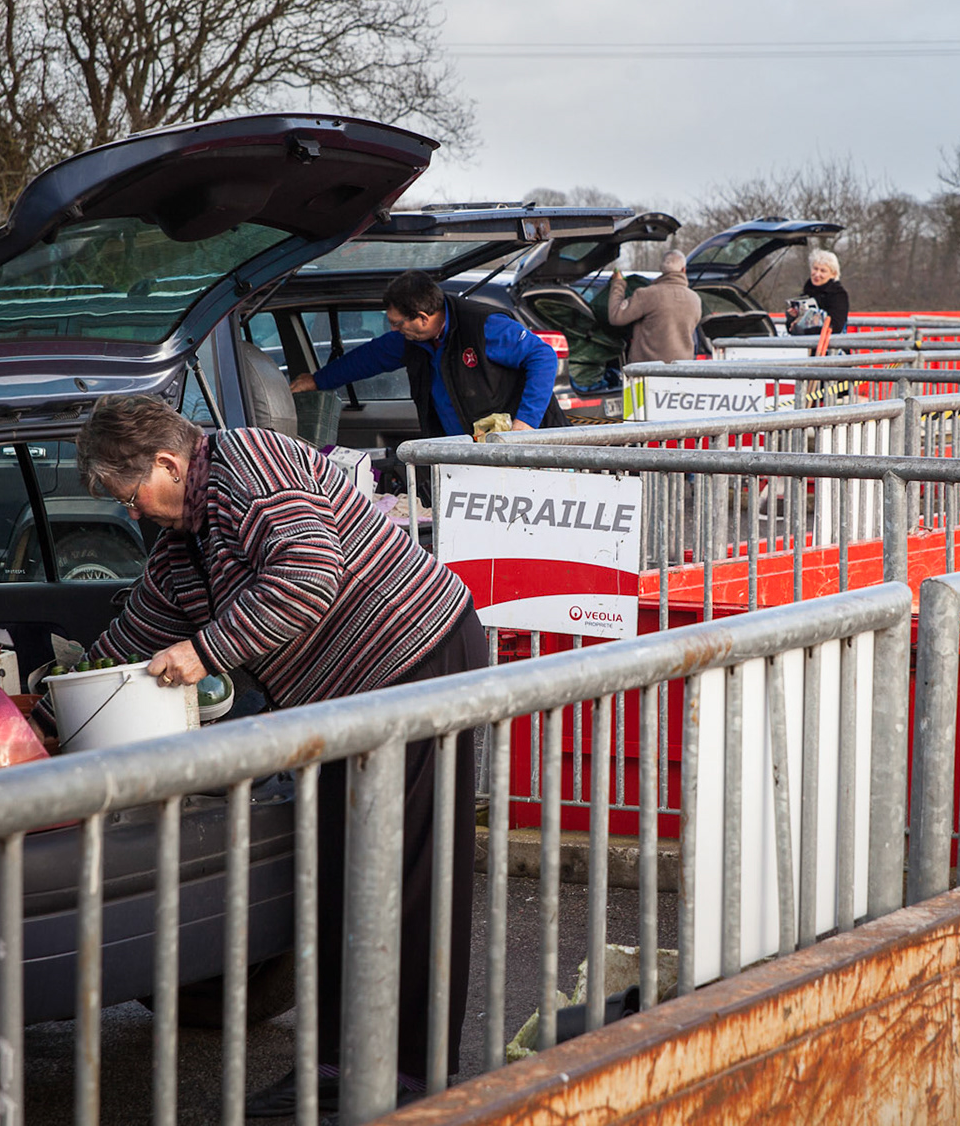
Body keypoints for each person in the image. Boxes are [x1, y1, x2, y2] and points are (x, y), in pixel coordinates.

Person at [74, 394, 478, 1113]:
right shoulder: (182, 544)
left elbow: (307, 577)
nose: (130, 512)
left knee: (408, 873)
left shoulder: (250, 464)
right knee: (335, 874)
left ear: (168, 462)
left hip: (417, 661)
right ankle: (336, 1066)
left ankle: (407, 1077)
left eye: (127, 493)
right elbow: (138, 631)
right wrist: (56, 699)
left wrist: (204, 652)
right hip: (339, 703)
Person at [290, 270, 565, 438]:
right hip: (469, 455)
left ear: (422, 317)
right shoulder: (408, 339)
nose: (394, 329)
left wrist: (524, 426)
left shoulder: (483, 326)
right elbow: (367, 358)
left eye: (398, 323)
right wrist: (317, 381)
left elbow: (543, 357)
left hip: (527, 446)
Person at [604, 249, 704, 363]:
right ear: (683, 270)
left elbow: (616, 316)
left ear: (661, 269)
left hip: (646, 372)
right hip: (681, 370)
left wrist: (618, 283)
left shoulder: (646, 295)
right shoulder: (695, 299)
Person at [785, 249, 850, 336]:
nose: (817, 274)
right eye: (815, 269)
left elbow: (835, 327)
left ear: (833, 274)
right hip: (807, 347)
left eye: (823, 271)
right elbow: (792, 329)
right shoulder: (806, 294)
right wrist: (792, 318)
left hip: (831, 346)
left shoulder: (838, 295)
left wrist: (805, 332)